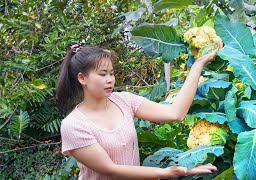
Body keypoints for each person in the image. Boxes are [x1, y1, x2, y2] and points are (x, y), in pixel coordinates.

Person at [56, 44, 222, 180]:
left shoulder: (124, 101)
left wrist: (198, 65)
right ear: (82, 78)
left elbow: (175, 113)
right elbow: (111, 169)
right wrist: (164, 172)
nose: (110, 79)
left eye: (112, 73)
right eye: (102, 74)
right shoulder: (73, 125)